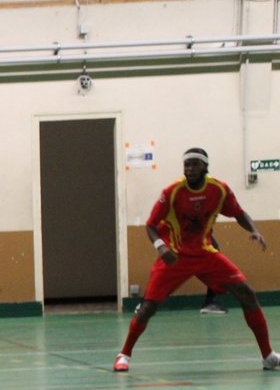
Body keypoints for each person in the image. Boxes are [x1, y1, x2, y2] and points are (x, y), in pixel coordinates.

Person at [115, 147, 280, 372]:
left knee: (247, 294)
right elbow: (151, 225)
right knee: (148, 307)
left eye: (194, 164)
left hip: (205, 253)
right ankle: (124, 355)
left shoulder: (218, 190)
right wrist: (160, 247)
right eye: (187, 165)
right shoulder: (172, 192)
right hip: (174, 256)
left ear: (205, 166)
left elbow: (239, 213)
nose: (190, 169)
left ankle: (268, 356)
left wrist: (255, 230)